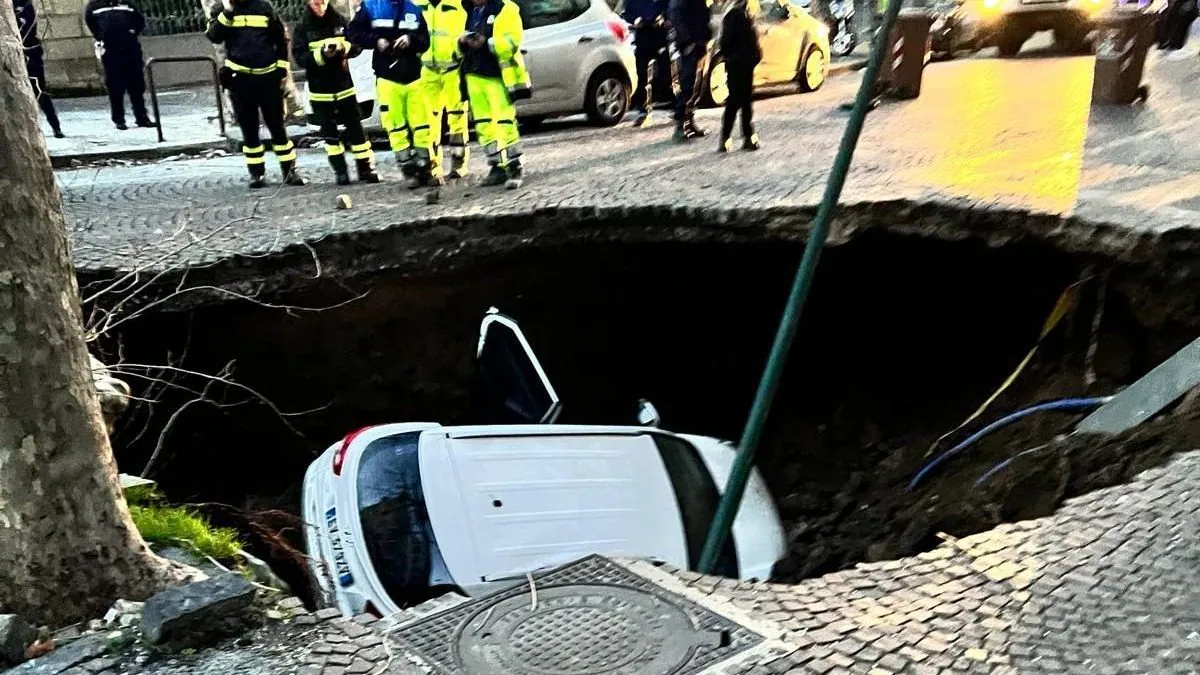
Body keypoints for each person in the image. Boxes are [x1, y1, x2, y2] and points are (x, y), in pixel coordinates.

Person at [207, 0, 305, 189]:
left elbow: (280, 39)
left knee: (277, 128)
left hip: (268, 78)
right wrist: (227, 13)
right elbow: (214, 36)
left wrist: (282, 69)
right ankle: (256, 174)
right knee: (249, 130)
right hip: (240, 80)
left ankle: (290, 171)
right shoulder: (222, 9)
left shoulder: (263, 7)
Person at [348, 0, 434, 188]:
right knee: (396, 127)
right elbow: (353, 32)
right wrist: (376, 41)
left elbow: (425, 41)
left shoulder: (413, 7)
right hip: (387, 76)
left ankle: (425, 168)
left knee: (421, 125)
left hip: (413, 76)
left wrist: (410, 40)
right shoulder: (371, 6)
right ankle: (408, 169)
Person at [293, 0, 380, 185]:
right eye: (317, 4)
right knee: (330, 137)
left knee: (357, 133)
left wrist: (344, 49)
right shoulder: (302, 28)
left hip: (344, 88)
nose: (321, 6)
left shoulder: (339, 21)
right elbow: (300, 57)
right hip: (320, 91)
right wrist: (322, 55)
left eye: (323, 2)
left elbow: (355, 45)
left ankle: (366, 169)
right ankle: (340, 172)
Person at [458, 0, 531, 189]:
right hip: (473, 74)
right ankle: (496, 166)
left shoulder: (506, 9)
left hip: (496, 74)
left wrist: (486, 42)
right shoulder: (469, 10)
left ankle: (514, 165)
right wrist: (462, 41)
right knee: (483, 124)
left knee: (504, 121)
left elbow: (512, 41)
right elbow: (455, 44)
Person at [418, 0, 470, 181]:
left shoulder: (458, 3)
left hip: (453, 69)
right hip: (428, 69)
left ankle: (458, 161)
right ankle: (432, 164)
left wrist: (460, 53)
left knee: (457, 117)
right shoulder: (419, 4)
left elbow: (468, 29)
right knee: (428, 119)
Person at [84, 0, 154, 130]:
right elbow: (90, 22)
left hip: (130, 48)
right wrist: (101, 36)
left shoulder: (127, 4)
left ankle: (142, 117)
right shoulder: (94, 5)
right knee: (115, 86)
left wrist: (132, 32)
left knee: (137, 85)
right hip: (111, 50)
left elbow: (139, 21)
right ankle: (119, 119)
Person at [14, 0, 63, 138]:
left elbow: (28, 26)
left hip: (29, 51)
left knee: (40, 91)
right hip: (16, 52)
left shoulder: (25, 5)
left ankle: (55, 126)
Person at [717, 0, 760, 152]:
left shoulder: (739, 14)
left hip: (740, 62)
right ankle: (742, 136)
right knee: (738, 101)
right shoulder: (737, 15)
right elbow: (727, 42)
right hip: (739, 63)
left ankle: (734, 137)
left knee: (739, 101)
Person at [668, 0, 712, 142]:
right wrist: (687, 42)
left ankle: (689, 122)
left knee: (696, 87)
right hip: (689, 45)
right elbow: (675, 15)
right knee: (687, 85)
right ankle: (680, 126)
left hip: (699, 44)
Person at [621, 0, 669, 127]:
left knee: (667, 72)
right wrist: (635, 20)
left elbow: (671, 6)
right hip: (643, 38)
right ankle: (643, 110)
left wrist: (664, 18)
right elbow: (627, 13)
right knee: (642, 76)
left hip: (660, 36)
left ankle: (678, 107)